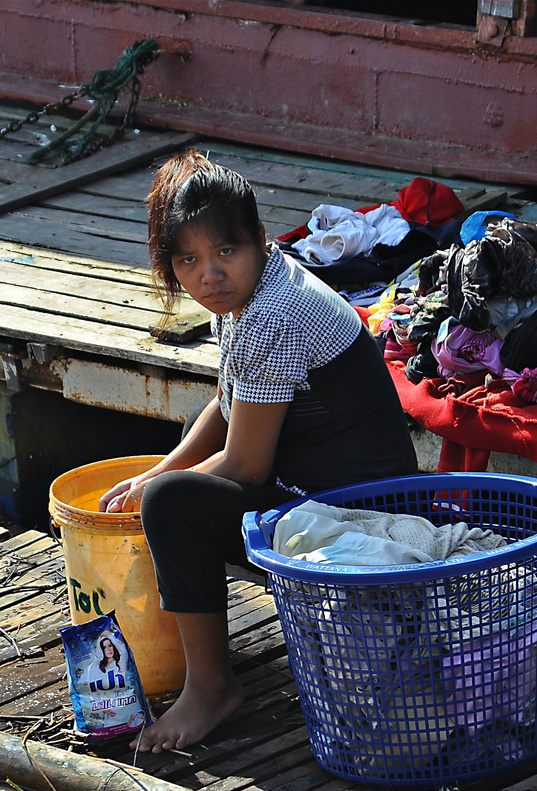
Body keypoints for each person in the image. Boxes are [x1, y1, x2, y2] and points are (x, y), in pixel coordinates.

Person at [99, 151, 417, 754]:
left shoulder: (273, 311)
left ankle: (211, 689)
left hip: (361, 521)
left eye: (225, 252)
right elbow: (228, 402)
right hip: (316, 494)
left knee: (171, 504)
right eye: (188, 260)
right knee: (166, 486)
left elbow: (246, 466)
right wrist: (159, 469)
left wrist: (158, 491)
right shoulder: (249, 296)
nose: (208, 275)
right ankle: (211, 673)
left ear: (259, 241)